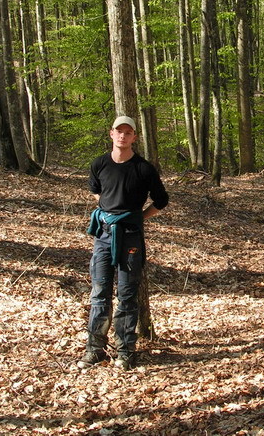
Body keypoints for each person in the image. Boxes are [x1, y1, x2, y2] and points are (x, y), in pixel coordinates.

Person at [77, 115, 169, 370]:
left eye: (128, 133)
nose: (123, 136)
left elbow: (161, 201)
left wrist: (138, 218)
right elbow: (96, 190)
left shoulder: (144, 168)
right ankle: (94, 350)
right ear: (111, 134)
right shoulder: (99, 164)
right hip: (103, 237)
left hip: (130, 237)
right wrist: (107, 214)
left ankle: (126, 351)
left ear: (134, 137)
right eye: (119, 131)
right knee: (99, 294)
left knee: (127, 296)